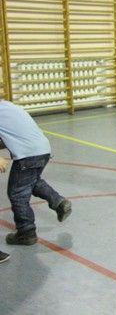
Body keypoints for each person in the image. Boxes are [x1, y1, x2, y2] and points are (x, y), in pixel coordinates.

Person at [0, 100, 72, 246]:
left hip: (28, 154)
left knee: (17, 193)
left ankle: (26, 233)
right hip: (43, 149)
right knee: (31, 182)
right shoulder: (8, 107)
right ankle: (58, 202)